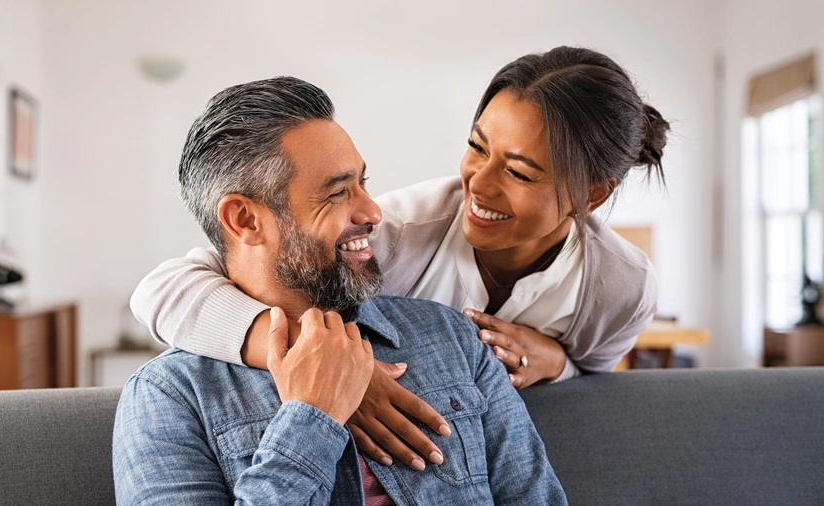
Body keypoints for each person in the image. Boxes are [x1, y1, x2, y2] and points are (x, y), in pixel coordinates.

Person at [130, 46, 669, 469]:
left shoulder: (622, 288)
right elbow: (164, 290)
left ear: (591, 196)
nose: (477, 185)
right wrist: (328, 365)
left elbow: (595, 381)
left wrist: (558, 364)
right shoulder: (397, 232)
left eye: (520, 172)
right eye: (477, 146)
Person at [112, 76, 567, 505]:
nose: (372, 211)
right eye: (336, 194)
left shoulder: (453, 338)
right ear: (245, 220)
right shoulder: (168, 397)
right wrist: (311, 418)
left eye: (362, 183)